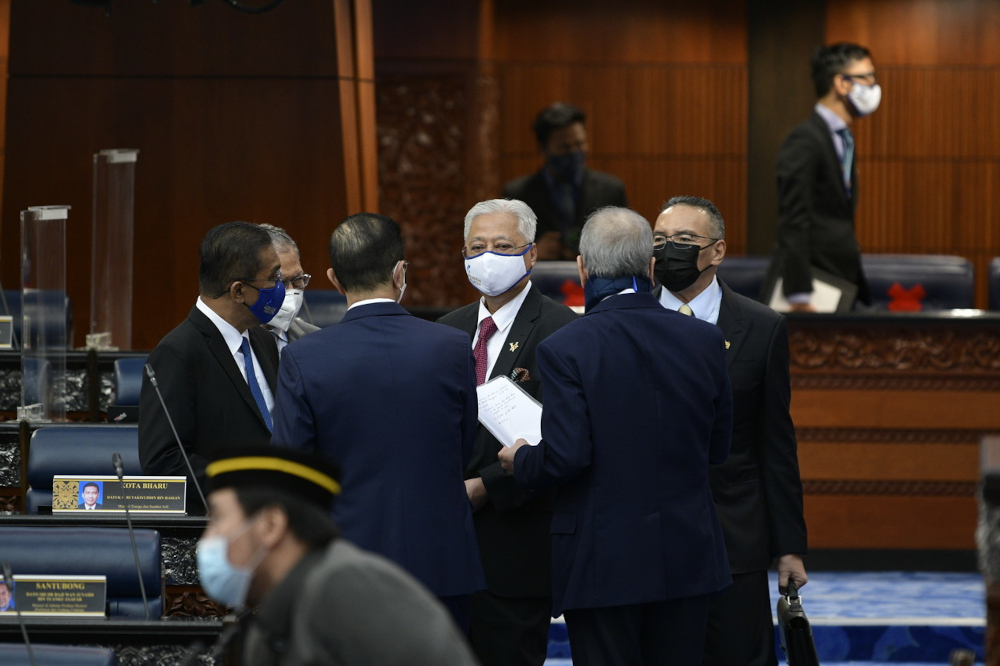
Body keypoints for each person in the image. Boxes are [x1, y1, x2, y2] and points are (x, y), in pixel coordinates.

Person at [498, 206, 733, 665]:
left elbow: (566, 457)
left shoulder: (566, 347)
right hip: (687, 556)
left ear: (582, 267)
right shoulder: (705, 340)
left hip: (601, 562)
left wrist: (521, 459)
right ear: (650, 267)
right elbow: (718, 449)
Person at [271, 212, 485, 631]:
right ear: (399, 272)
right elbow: (465, 448)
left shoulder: (304, 357)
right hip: (441, 562)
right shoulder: (452, 346)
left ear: (334, 278)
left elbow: (292, 474)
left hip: (346, 568)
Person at [652, 195, 809, 665]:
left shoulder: (761, 327)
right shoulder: (624, 320)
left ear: (717, 251)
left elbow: (775, 444)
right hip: (649, 535)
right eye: (659, 240)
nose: (668, 249)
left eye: (684, 239)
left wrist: (789, 548)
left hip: (734, 537)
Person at [438, 198, 577, 666]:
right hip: (444, 543)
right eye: (476, 247)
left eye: (503, 245)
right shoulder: (445, 331)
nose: (487, 257)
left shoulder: (563, 331)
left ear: (531, 255)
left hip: (517, 544)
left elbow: (567, 439)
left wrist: (485, 486)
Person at [197, 446, 478, 665]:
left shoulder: (344, 585)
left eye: (218, 517)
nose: (208, 538)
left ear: (271, 525)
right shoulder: (269, 621)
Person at [139, 221, 282, 513]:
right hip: (222, 523)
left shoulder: (261, 339)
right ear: (239, 291)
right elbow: (163, 461)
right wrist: (246, 488)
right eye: (273, 277)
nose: (281, 287)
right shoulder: (177, 353)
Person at [767, 42, 880, 311]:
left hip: (838, 282)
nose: (875, 86)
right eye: (868, 77)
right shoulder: (804, 140)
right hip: (812, 290)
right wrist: (799, 295)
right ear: (842, 84)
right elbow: (794, 221)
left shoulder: (843, 137)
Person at [503, 102, 627, 261]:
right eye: (564, 147)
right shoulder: (518, 193)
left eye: (579, 144)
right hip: (541, 280)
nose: (574, 152)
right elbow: (505, 255)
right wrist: (532, 254)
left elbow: (626, 249)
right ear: (543, 148)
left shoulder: (611, 190)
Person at [258, 224, 320, 358]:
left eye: (298, 279)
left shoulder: (317, 341)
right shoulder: (233, 343)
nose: (292, 292)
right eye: (281, 282)